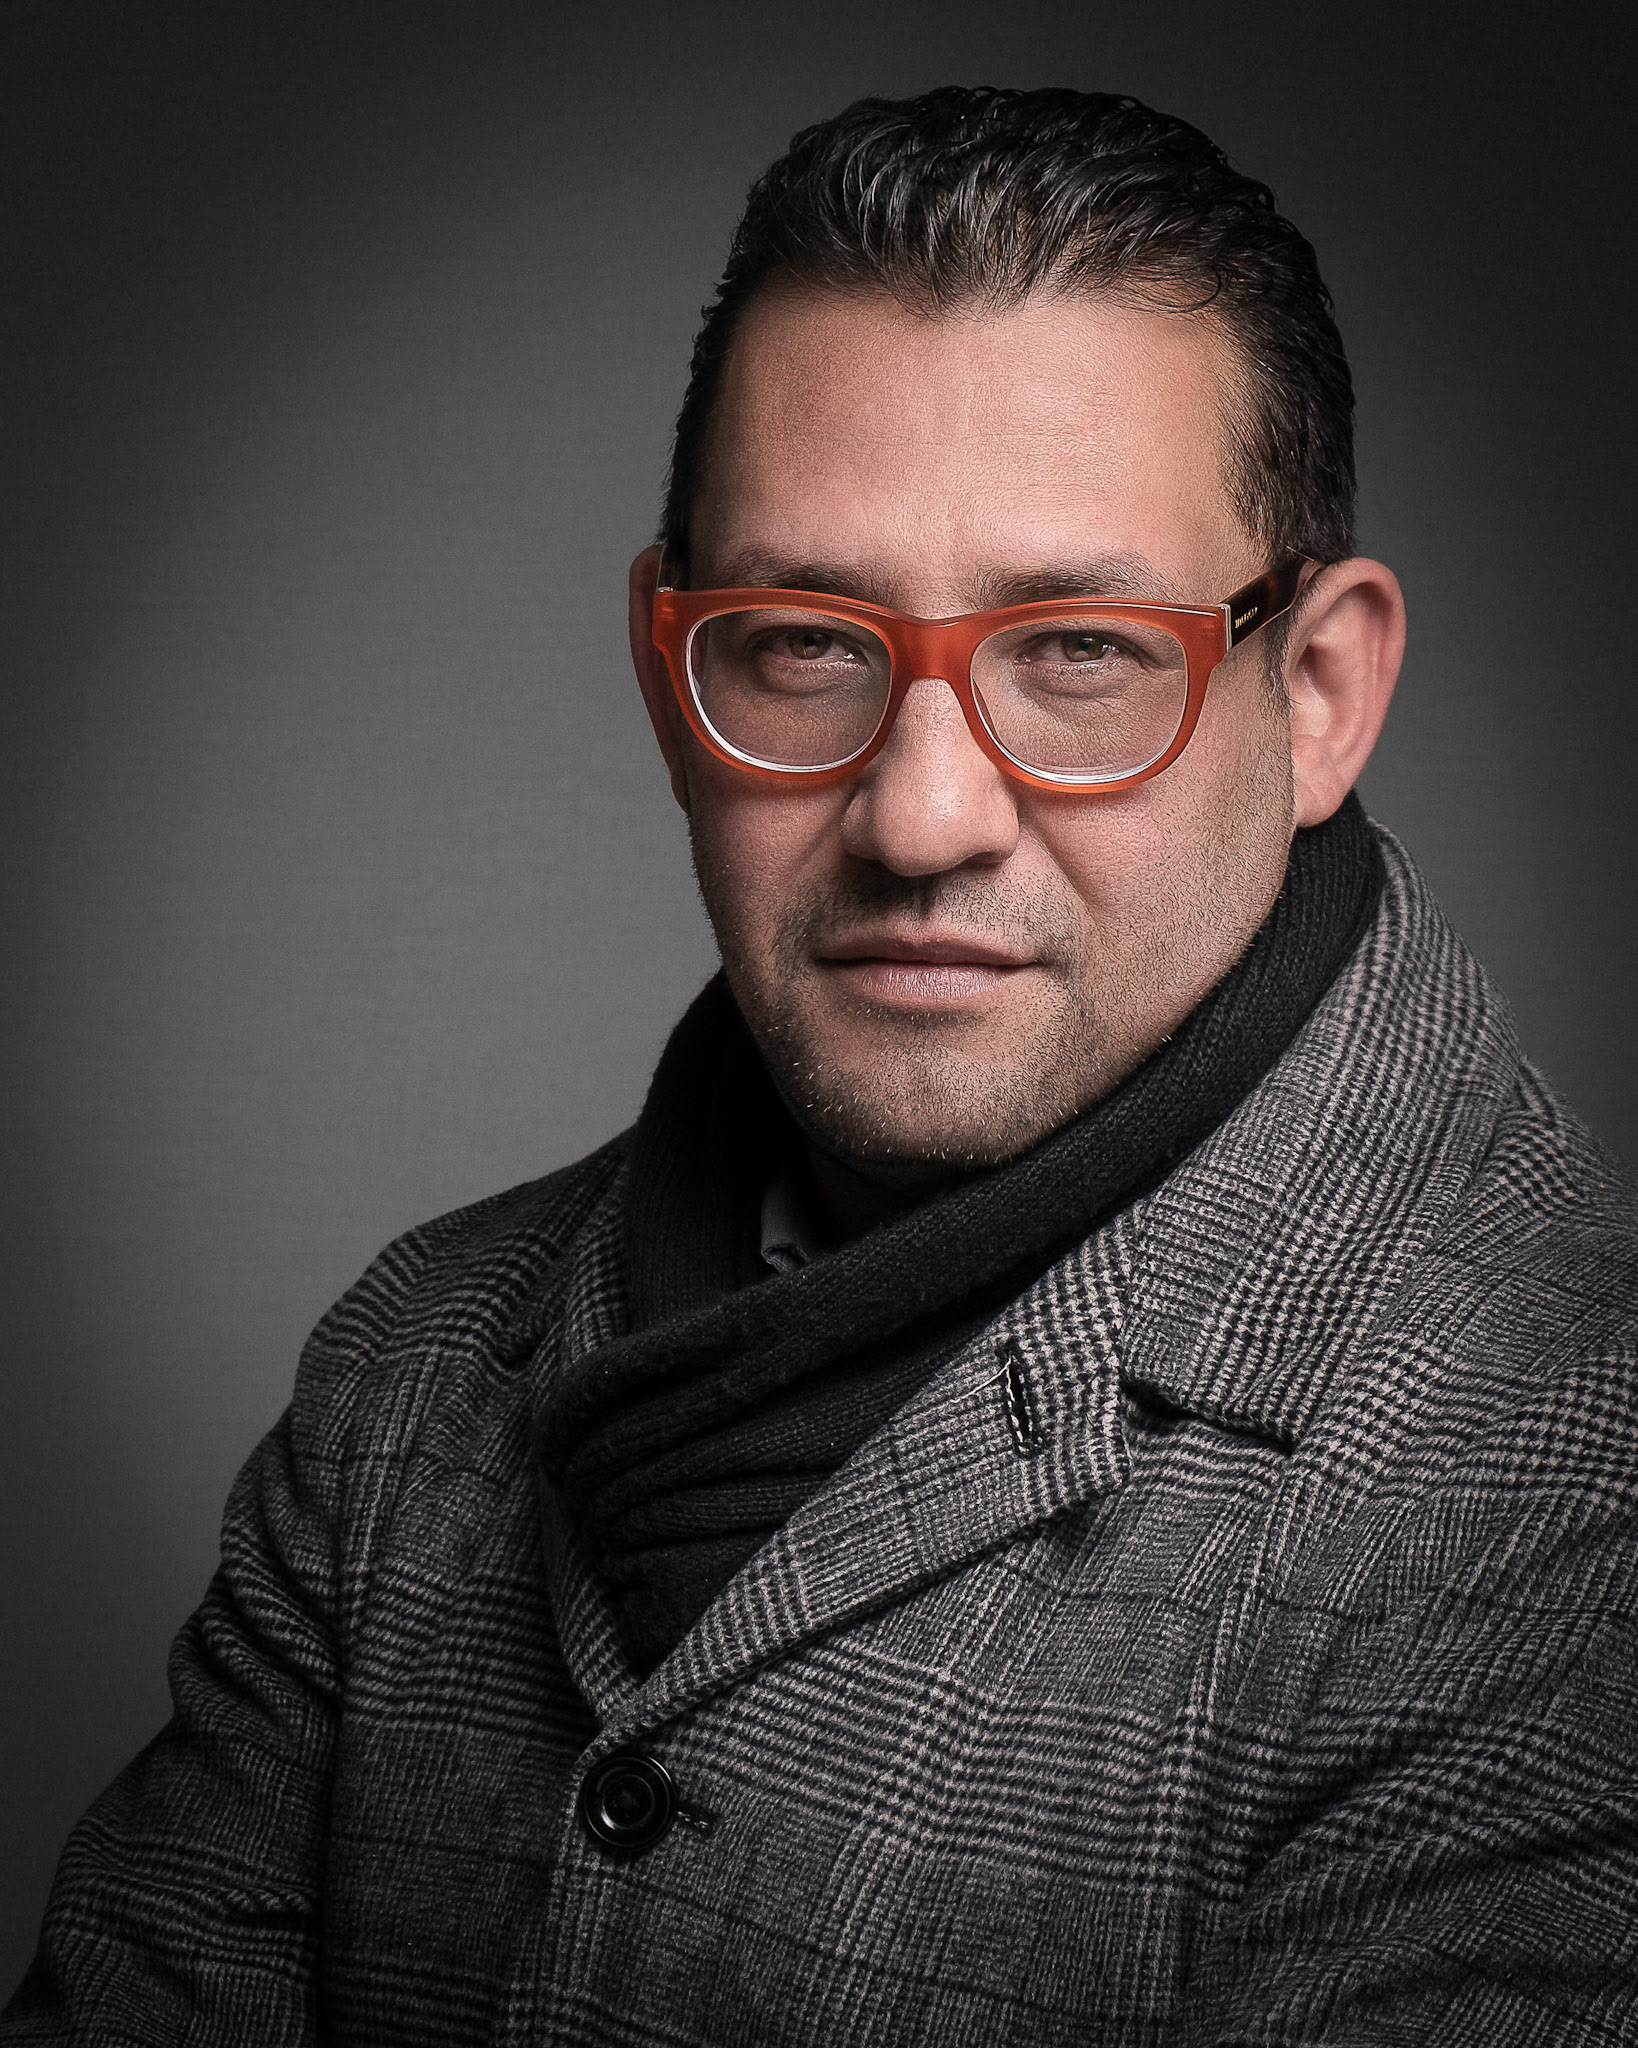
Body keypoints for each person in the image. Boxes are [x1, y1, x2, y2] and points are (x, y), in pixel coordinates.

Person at [5, 83, 1636, 2048]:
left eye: (1078, 651)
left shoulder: (1560, 1487)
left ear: (1317, 693)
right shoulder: (410, 1370)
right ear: (667, 670)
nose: (922, 815)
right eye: (801, 643)